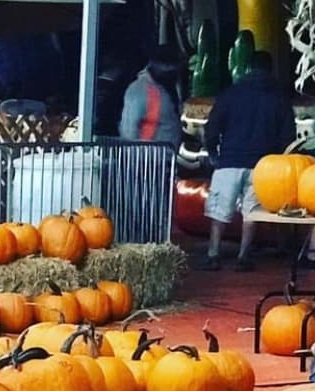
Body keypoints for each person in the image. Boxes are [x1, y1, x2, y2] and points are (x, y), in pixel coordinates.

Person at [200, 50, 295, 271]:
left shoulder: (231, 93)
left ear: (247, 67)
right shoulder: (279, 98)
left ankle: (213, 253)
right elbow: (287, 135)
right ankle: (243, 256)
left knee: (219, 211)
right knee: (251, 212)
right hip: (262, 165)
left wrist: (213, 152)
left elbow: (212, 126)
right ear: (271, 69)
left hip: (229, 160)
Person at [119, 46, 183, 148]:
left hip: (167, 153)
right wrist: (134, 154)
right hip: (147, 155)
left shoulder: (171, 87)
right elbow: (129, 129)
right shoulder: (139, 89)